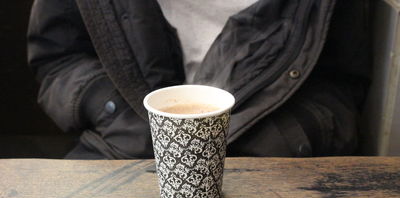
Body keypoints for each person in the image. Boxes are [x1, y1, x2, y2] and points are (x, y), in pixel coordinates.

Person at [27, 0, 370, 159]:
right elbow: (59, 58)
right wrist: (114, 112)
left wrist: (284, 134)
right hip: (123, 147)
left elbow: (340, 83)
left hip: (276, 162)